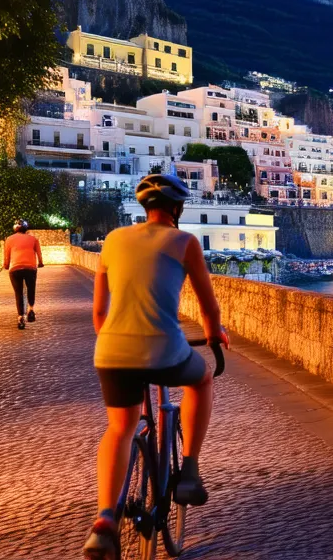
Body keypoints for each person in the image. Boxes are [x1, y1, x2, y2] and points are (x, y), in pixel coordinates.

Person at [83, 174, 226, 560]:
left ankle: (104, 522)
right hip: (165, 351)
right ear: (177, 209)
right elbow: (209, 307)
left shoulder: (113, 240)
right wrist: (214, 334)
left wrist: (114, 342)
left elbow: (99, 311)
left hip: (111, 351)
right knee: (202, 379)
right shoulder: (185, 242)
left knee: (120, 428)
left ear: (144, 208)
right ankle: (191, 470)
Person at [3, 219, 43, 330]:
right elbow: (39, 253)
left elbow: (7, 256)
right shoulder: (33, 239)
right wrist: (40, 263)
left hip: (15, 269)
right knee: (31, 288)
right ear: (26, 228)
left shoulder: (9, 239)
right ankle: (31, 309)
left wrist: (6, 265)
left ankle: (20, 317)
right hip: (30, 268)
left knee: (18, 293)